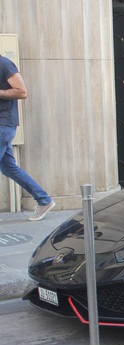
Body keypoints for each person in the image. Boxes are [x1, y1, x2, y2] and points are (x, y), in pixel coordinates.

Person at [0, 54, 55, 221]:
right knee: (8, 168)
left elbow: (22, 91)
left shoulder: (4, 64)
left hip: (3, 124)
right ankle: (44, 200)